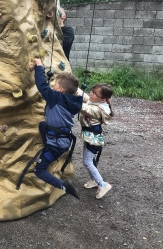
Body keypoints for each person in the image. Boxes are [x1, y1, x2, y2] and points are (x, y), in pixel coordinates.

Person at [29, 58, 83, 199]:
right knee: (43, 125)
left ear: (61, 90)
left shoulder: (56, 98)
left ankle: (64, 186)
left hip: (56, 145)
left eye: (55, 84)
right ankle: (48, 144)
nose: (52, 86)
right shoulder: (71, 100)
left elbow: (42, 85)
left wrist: (39, 66)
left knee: (39, 170)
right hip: (63, 139)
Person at [79, 83, 114, 199]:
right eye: (92, 91)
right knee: (89, 160)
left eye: (95, 93)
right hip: (89, 136)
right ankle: (94, 180)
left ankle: (102, 184)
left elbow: (83, 108)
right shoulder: (95, 101)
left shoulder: (98, 109)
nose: (91, 94)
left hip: (93, 139)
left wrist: (69, 100)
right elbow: (83, 95)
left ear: (103, 99)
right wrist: (72, 88)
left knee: (87, 162)